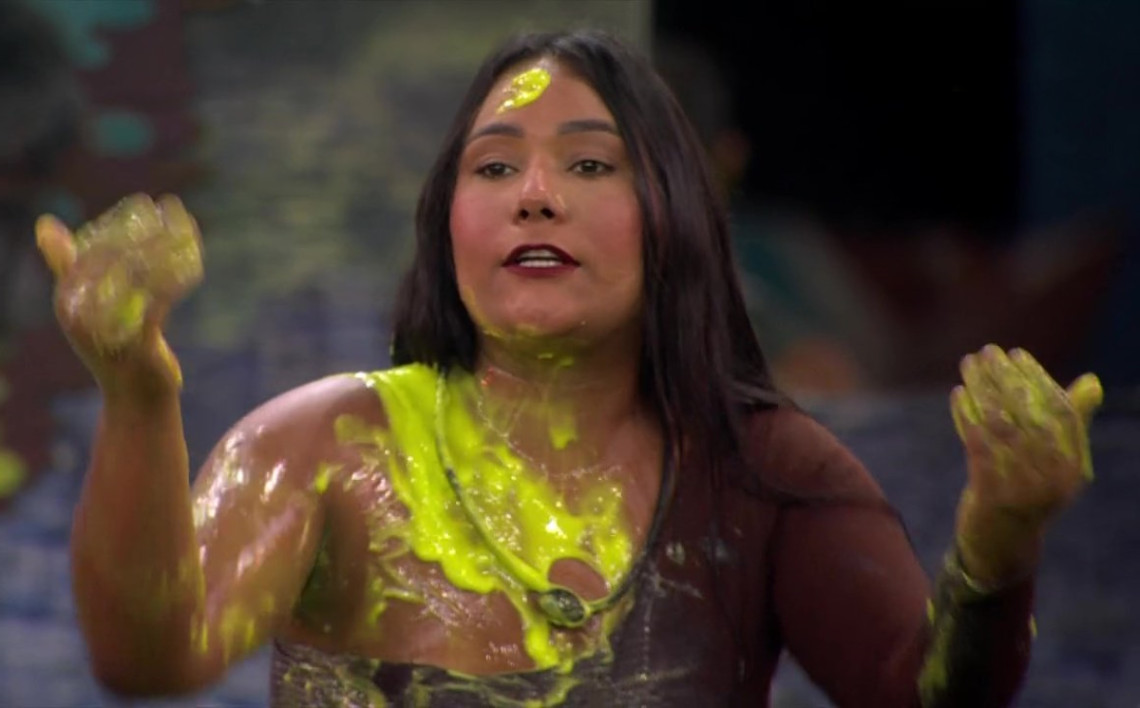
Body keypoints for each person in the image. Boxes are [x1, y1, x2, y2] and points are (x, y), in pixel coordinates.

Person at [38, 30, 1101, 707]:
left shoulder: (767, 468)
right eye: (494, 165)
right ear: (446, 223)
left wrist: (998, 542)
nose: (534, 194)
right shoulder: (323, 445)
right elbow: (146, 661)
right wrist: (137, 392)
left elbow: (925, 697)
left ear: (676, 217)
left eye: (589, 164)